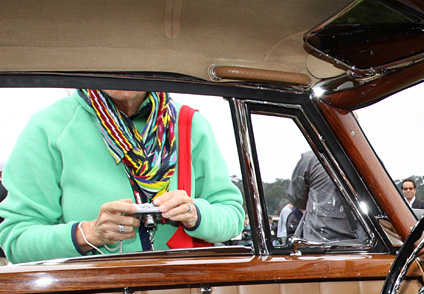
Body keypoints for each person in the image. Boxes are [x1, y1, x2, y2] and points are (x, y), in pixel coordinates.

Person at [0, 89, 244, 263]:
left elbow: (233, 215)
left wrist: (195, 213)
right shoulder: (48, 126)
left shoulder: (191, 123)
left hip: (186, 293)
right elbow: (16, 240)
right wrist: (89, 233)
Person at [285, 150, 365, 243]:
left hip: (316, 240)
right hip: (360, 240)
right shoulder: (369, 160)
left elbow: (297, 198)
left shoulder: (310, 159)